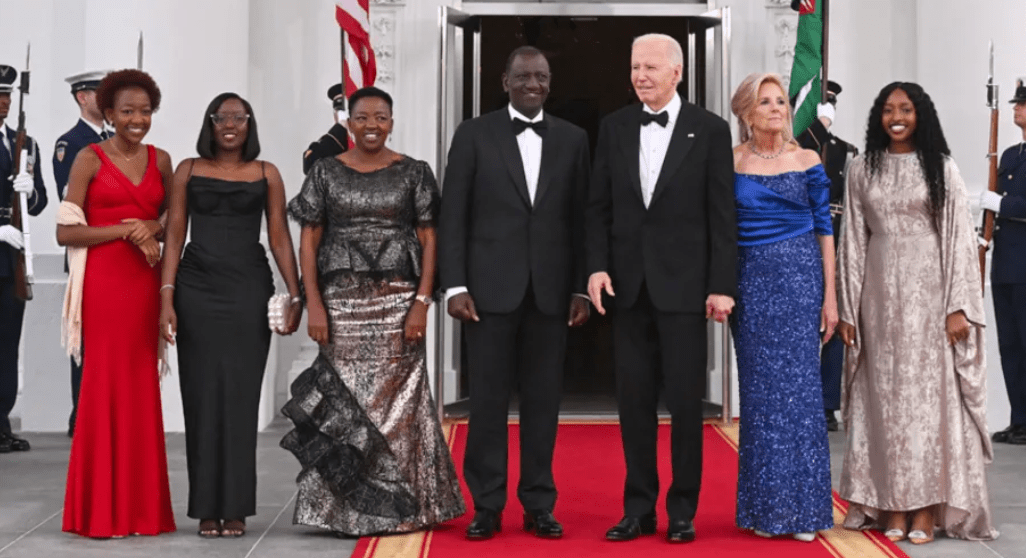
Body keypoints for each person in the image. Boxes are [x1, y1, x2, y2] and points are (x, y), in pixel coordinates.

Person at [281, 86, 465, 536]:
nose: (371, 126)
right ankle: (342, 511)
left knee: (402, 407)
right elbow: (309, 239)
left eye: (381, 118)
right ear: (348, 122)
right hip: (341, 303)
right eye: (362, 118)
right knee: (346, 402)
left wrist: (422, 303)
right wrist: (314, 304)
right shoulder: (324, 171)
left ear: (392, 121)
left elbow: (429, 240)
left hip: (399, 301)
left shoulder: (414, 172)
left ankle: (406, 507)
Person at [586, 34, 736, 544]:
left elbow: (722, 216)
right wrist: (596, 268)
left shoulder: (711, 130)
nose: (640, 75)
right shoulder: (614, 127)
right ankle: (638, 509)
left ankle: (684, 511)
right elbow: (598, 208)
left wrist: (721, 285)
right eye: (634, 66)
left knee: (687, 406)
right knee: (633, 405)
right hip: (627, 290)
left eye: (650, 66)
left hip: (686, 290)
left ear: (677, 72)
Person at [438, 45, 591, 541]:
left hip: (550, 295)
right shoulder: (473, 134)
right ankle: (486, 506)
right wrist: (455, 284)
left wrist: (580, 288)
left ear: (550, 82)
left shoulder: (573, 139)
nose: (533, 83)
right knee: (486, 404)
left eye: (542, 76)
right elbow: (453, 215)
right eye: (523, 75)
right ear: (504, 81)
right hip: (486, 294)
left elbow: (582, 220)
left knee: (544, 405)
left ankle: (539, 504)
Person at [837, 81, 998, 544]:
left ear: (920, 114)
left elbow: (959, 241)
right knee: (884, 402)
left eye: (905, 109)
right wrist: (848, 308)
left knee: (927, 406)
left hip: (931, 298)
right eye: (887, 110)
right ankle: (889, 505)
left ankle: (926, 510)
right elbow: (852, 241)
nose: (896, 117)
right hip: (879, 300)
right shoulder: (860, 168)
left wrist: (959, 306)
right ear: (878, 117)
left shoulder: (941, 168)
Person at [159, 93, 303, 538]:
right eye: (222, 117)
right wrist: (166, 296)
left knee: (241, 400)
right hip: (196, 290)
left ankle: (236, 507)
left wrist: (296, 293)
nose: (230, 124)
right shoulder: (187, 169)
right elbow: (175, 234)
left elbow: (279, 236)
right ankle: (206, 507)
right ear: (210, 123)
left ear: (249, 124)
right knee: (200, 398)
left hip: (246, 290)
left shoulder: (267, 173)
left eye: (239, 118)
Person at [56, 69, 176, 537]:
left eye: (145, 111)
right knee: (103, 388)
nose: (138, 119)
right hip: (104, 285)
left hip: (145, 284)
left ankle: (143, 512)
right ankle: (98, 512)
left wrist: (154, 226)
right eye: (127, 111)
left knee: (141, 390)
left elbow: (172, 214)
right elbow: (66, 230)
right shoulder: (88, 157)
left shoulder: (161, 159)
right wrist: (128, 227)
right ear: (108, 113)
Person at [729, 72, 835, 542]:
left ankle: (805, 513)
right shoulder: (730, 161)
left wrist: (830, 297)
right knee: (760, 399)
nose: (777, 108)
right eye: (765, 102)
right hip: (750, 287)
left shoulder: (807, 158)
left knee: (801, 397)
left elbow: (824, 231)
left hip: (801, 284)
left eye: (780, 102)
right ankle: (766, 510)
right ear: (747, 112)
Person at [793, 80, 858, 432]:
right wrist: (816, 130)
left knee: (832, 326)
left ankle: (828, 403)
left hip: (834, 240)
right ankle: (800, 398)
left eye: (829, 105)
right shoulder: (791, 149)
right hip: (798, 241)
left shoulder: (846, 152)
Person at [53, 69, 110, 438]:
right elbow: (72, 200)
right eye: (100, 93)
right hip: (88, 251)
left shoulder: (117, 140)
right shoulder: (70, 143)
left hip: (117, 250)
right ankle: (84, 415)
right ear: (82, 97)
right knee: (87, 339)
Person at [0, 64, 48, 455]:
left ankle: (1, 420)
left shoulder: (25, 143)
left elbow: (39, 201)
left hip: (11, 261)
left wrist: (28, 192)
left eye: (7, 96)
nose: (2, 103)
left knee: (6, 343)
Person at [980, 78, 1026, 446]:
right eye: (1015, 105)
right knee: (1009, 345)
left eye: (1022, 105)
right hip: (1006, 263)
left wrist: (1001, 205)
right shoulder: (1011, 155)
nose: (1016, 109)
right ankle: (1019, 419)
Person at [302, 83, 349, 174]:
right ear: (334, 115)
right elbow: (310, 165)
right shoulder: (329, 142)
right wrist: (340, 129)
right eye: (339, 110)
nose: (342, 114)